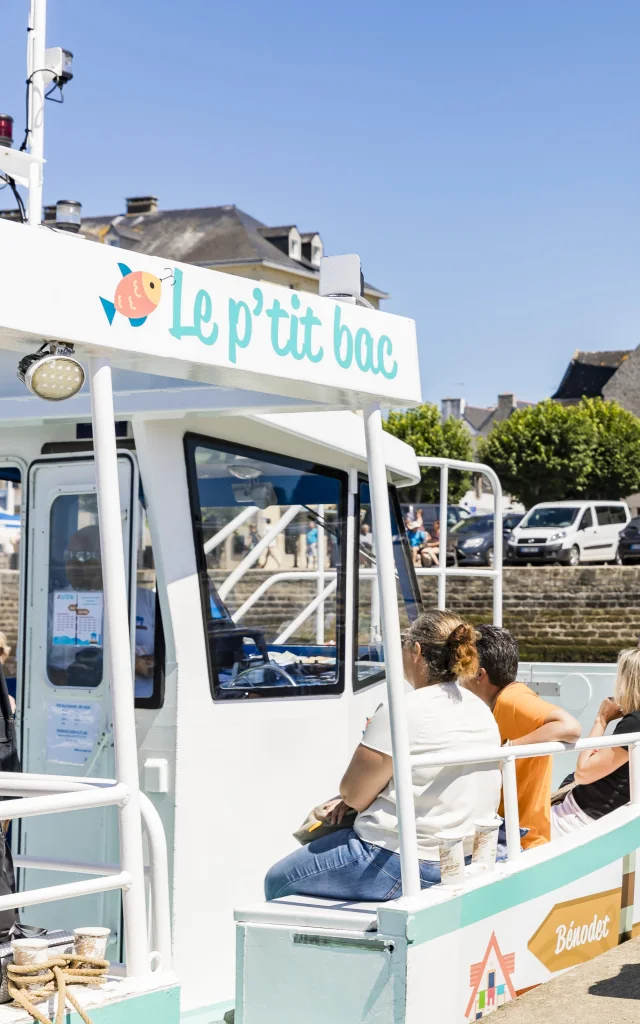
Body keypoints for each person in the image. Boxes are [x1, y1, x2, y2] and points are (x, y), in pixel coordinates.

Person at [264, 610, 501, 902]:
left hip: (402, 861)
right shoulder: (480, 708)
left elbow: (352, 793)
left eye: (405, 642)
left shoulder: (403, 710)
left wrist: (348, 801)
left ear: (415, 650)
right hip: (462, 855)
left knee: (278, 880)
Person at [463, 625, 581, 848]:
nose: (459, 677)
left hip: (517, 838)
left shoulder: (513, 699)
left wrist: (508, 749)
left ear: (479, 674)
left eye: (463, 668)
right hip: (511, 831)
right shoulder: (502, 700)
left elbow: (570, 726)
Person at [551, 646, 640, 837]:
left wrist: (601, 719)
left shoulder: (634, 723)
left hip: (577, 819)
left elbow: (583, 773)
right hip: (595, 815)